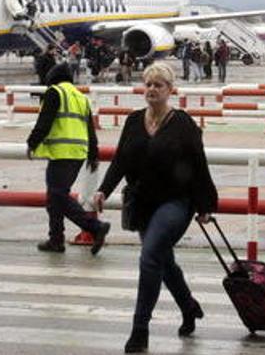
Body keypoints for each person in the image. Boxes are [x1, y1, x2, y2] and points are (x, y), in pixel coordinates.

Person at [93, 62, 217, 353]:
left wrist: (206, 205)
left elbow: (199, 165)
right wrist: (103, 189)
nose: (151, 89)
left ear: (170, 90)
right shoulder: (134, 121)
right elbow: (121, 160)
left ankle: (140, 330)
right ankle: (188, 307)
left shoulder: (184, 124)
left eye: (158, 85)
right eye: (148, 84)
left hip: (176, 202)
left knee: (149, 258)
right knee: (164, 262)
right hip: (142, 203)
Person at [27, 62, 111, 254]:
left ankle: (95, 227)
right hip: (78, 153)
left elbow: (45, 121)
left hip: (61, 152)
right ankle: (56, 240)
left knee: (57, 196)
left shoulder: (55, 92)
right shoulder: (80, 97)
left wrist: (32, 142)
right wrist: (93, 153)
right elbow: (90, 128)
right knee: (54, 198)